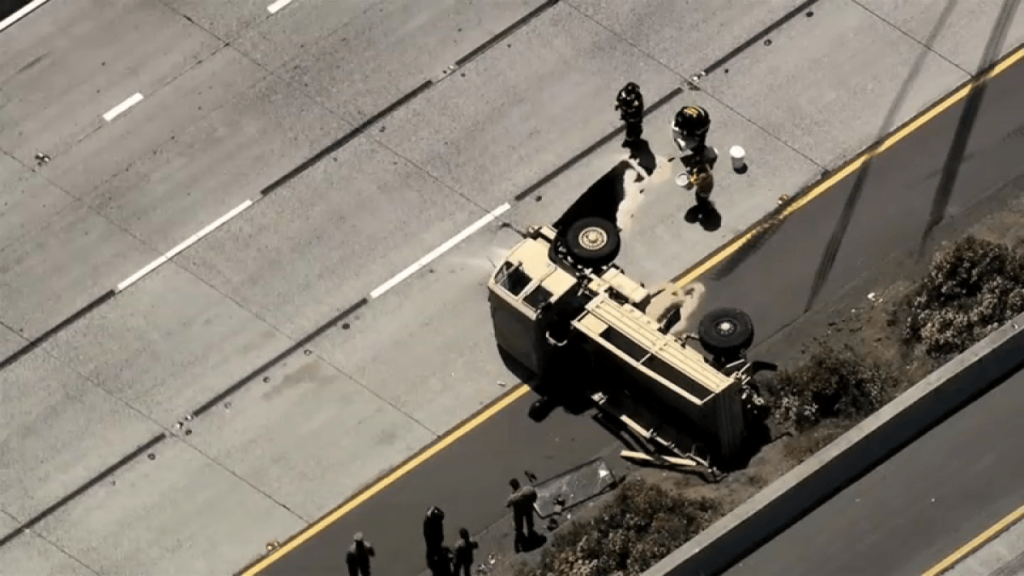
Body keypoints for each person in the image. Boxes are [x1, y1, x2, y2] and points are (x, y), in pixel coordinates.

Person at [506, 478, 538, 551]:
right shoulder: (529, 489)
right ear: (519, 484)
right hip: (528, 509)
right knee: (529, 521)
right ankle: (531, 531)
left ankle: (521, 535)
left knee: (519, 526)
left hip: (519, 512)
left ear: (512, 487)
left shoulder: (512, 498)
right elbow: (535, 496)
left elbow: (507, 505)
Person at [424, 506, 447, 572]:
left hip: (436, 541)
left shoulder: (436, 517)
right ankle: (434, 565)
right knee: (432, 551)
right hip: (433, 543)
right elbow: (429, 537)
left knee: (436, 550)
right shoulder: (429, 524)